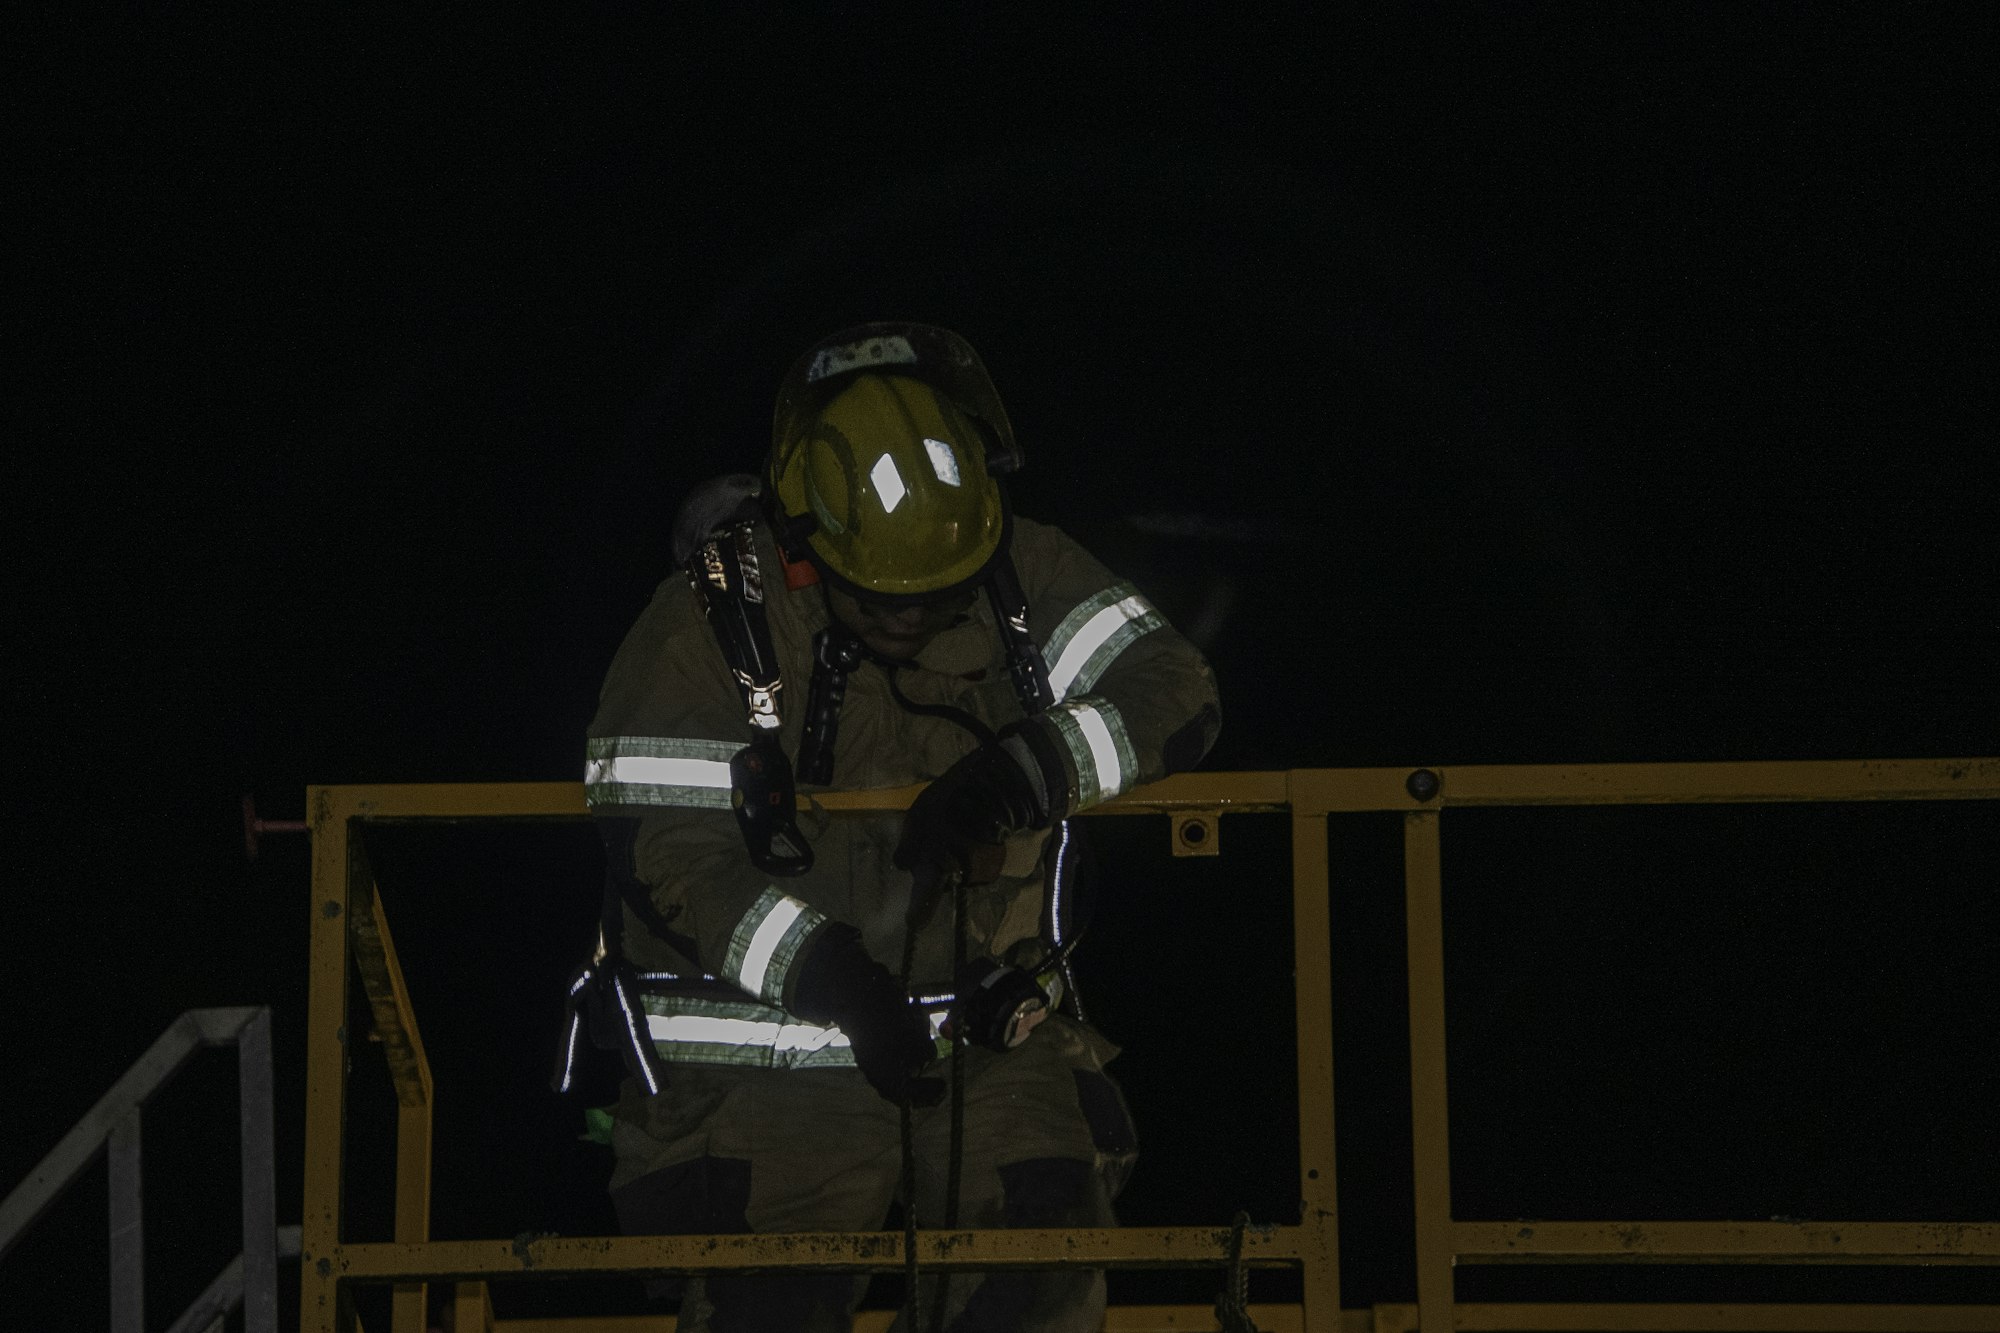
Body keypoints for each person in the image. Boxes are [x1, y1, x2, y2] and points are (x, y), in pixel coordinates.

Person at [567, 321, 1221, 1332]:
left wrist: (1025, 769)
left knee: (1041, 1265)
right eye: (878, 598)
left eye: (934, 597)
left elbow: (1175, 689)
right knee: (770, 1306)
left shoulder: (1019, 567)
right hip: (769, 1060)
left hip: (990, 1036)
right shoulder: (712, 616)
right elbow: (661, 840)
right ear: (801, 540)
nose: (909, 622)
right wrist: (825, 974)